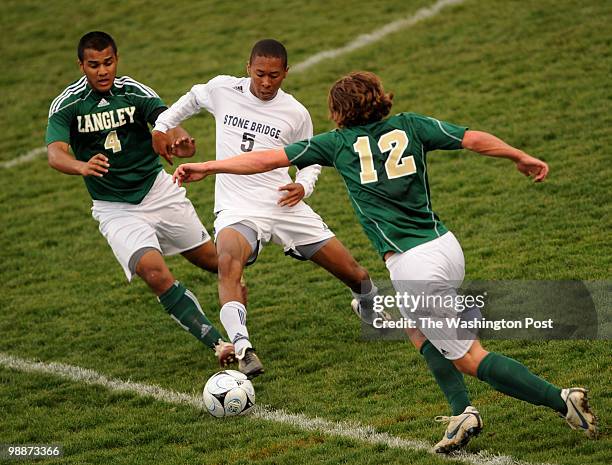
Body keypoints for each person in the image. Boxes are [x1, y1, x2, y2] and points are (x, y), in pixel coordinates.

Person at [172, 71, 599, 452]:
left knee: (470, 357)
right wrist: (518, 155)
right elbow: (472, 138)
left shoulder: (337, 144)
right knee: (414, 327)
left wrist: (208, 166)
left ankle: (562, 400)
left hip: (414, 266)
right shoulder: (411, 126)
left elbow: (267, 159)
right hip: (444, 245)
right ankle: (460, 411)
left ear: (339, 112)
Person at [151, 40, 381, 379]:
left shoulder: (295, 113)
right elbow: (190, 99)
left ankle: (367, 303)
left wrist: (304, 186)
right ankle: (243, 347)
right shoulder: (222, 89)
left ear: (286, 73)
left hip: (283, 204)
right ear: (248, 68)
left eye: (275, 75)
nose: (266, 82)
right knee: (227, 261)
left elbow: (311, 160)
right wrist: (162, 127)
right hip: (237, 207)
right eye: (260, 74)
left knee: (357, 275)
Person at [45, 31, 235, 366]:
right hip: (115, 208)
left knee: (218, 262)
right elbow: (55, 153)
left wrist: (180, 141)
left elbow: (166, 124)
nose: (102, 71)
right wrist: (81, 166)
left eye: (108, 63)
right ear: (81, 65)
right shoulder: (68, 104)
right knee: (153, 271)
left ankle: (241, 328)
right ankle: (220, 345)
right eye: (94, 65)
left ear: (116, 60)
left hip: (157, 190)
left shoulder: (134, 91)